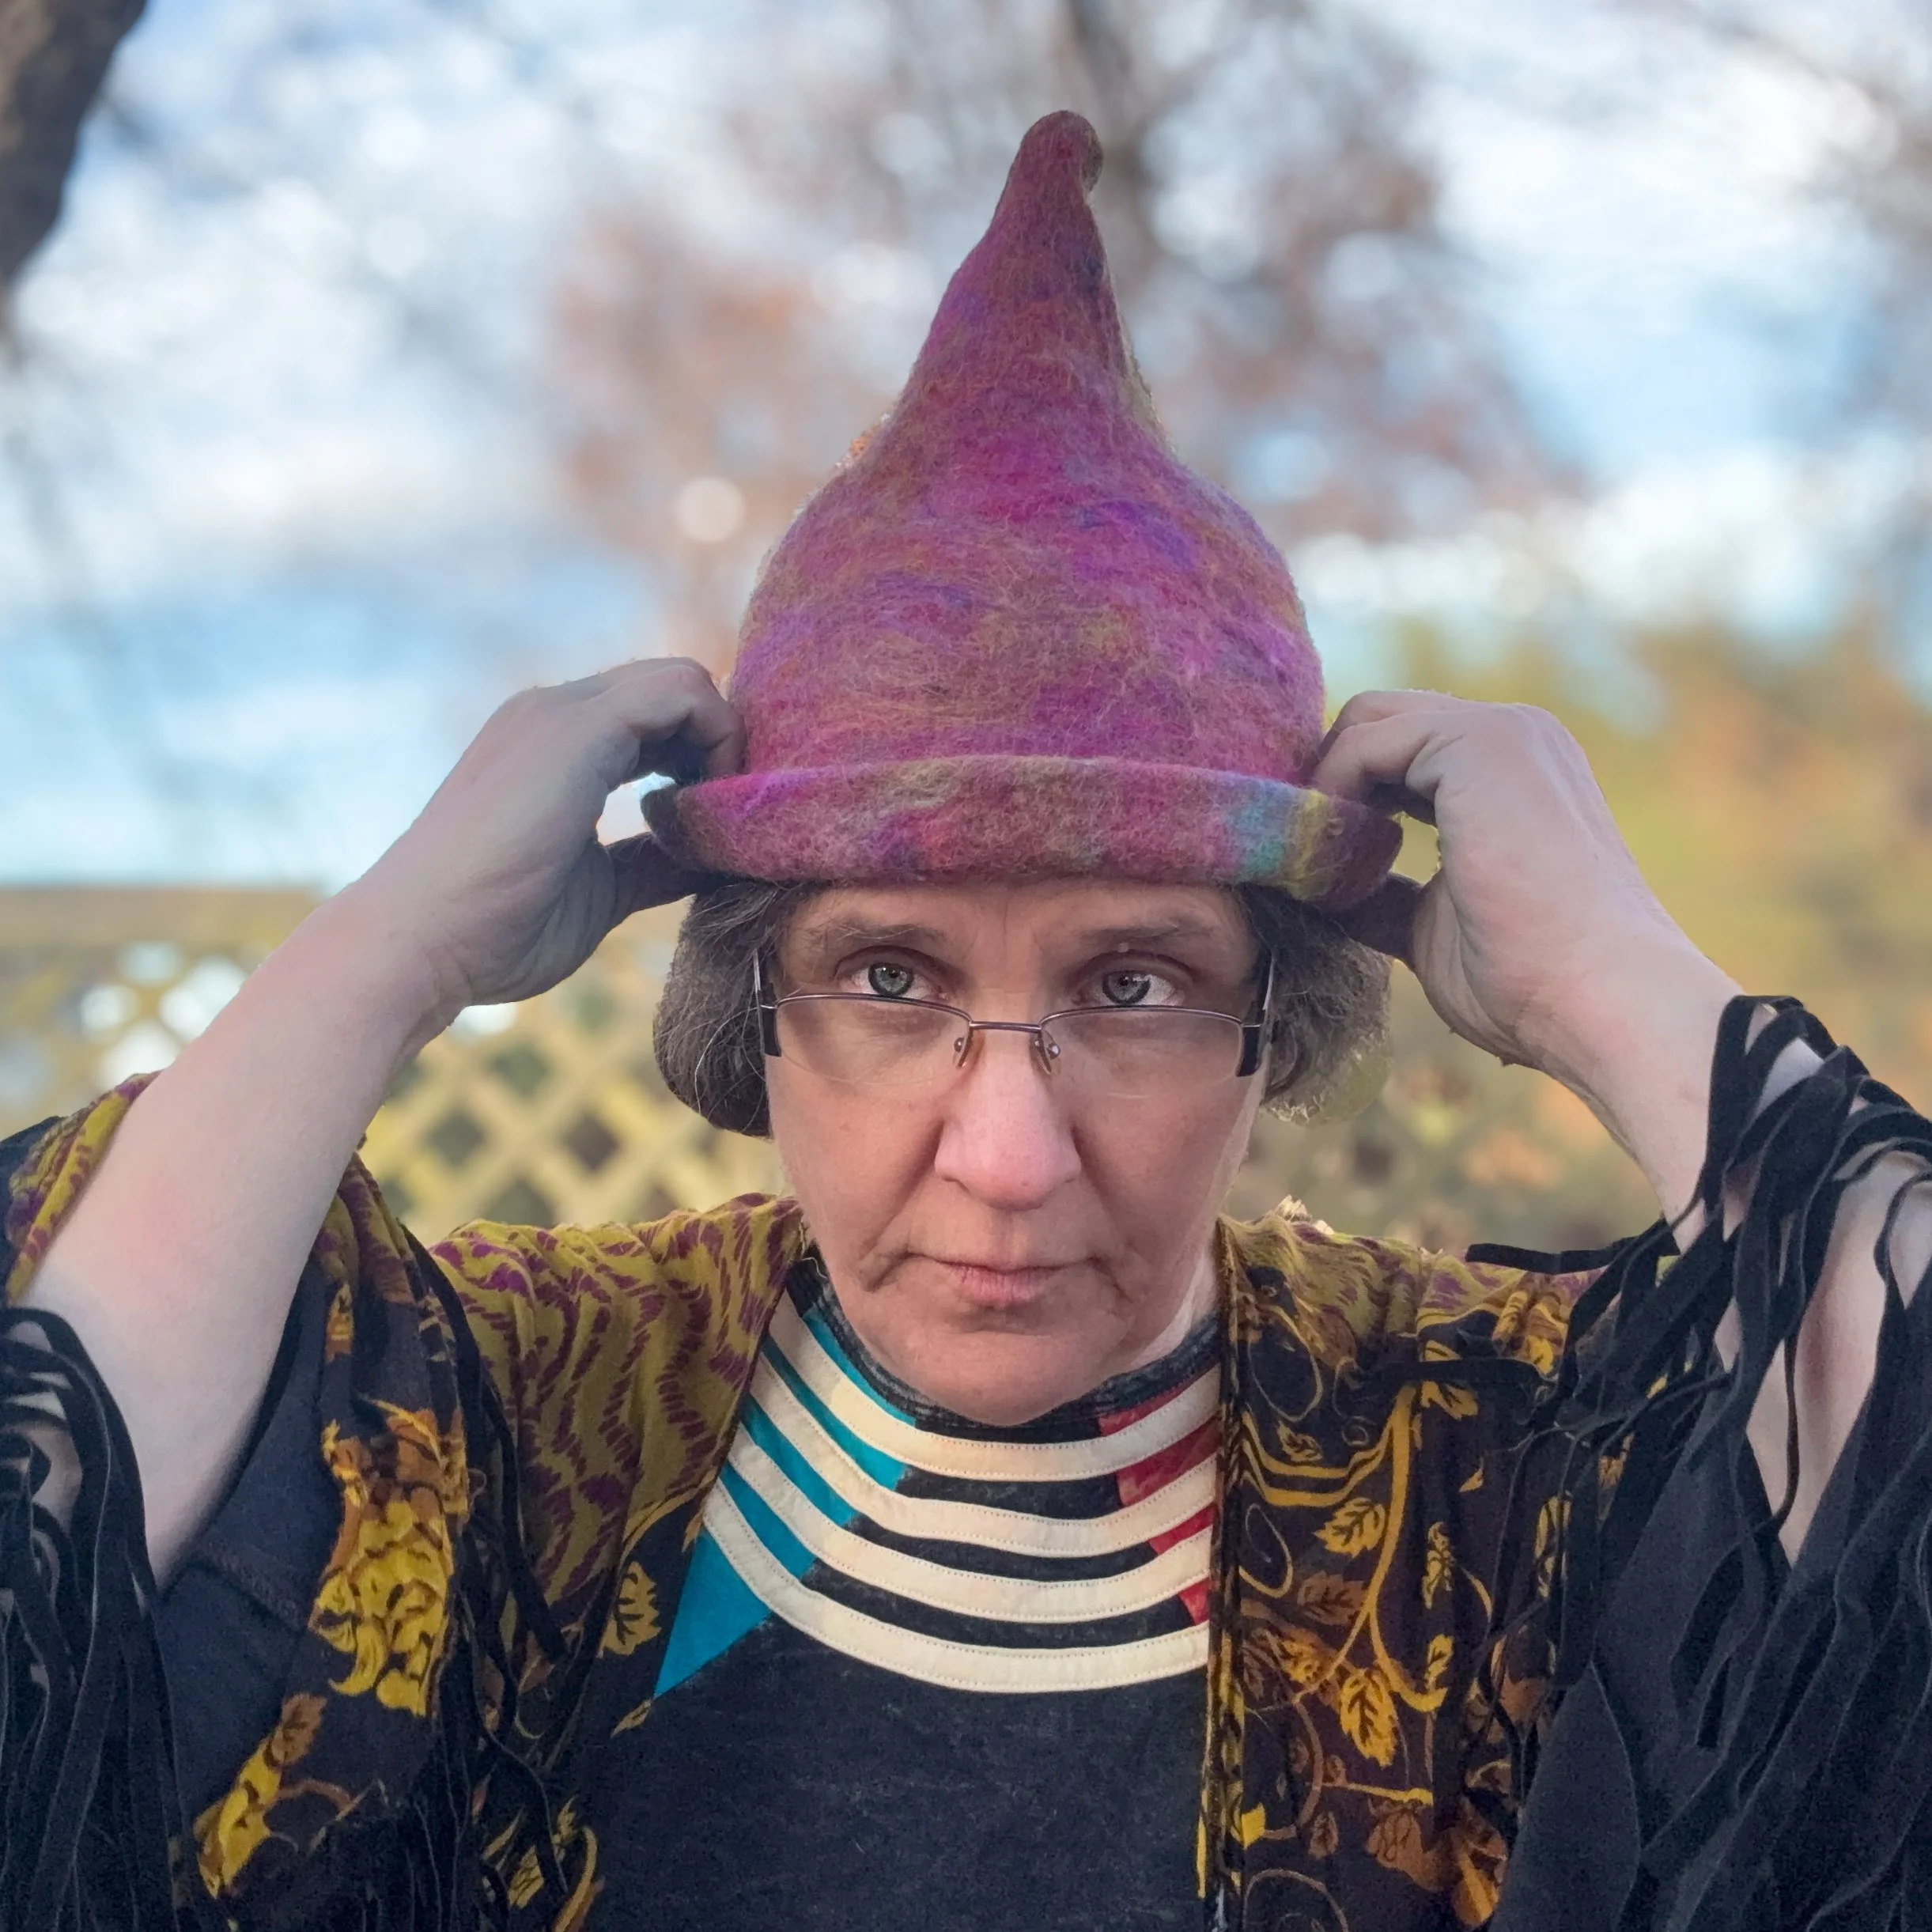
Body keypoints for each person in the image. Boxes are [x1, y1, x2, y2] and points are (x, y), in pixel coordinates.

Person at [3, 112, 1929, 1932]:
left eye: (1138, 984)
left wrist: (1613, 983)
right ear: (755, 1006)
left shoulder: (1485, 1465)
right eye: (890, 977)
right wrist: (391, 947)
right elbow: (47, 1569)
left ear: (1274, 1021)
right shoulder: (527, 1420)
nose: (1006, 1158)